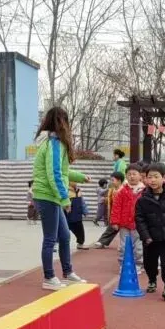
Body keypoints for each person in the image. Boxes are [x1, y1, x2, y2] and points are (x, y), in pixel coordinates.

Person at [31, 106, 88, 290]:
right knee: (50, 238)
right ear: (63, 122)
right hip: (47, 195)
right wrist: (65, 199)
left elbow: (62, 171)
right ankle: (49, 277)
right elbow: (54, 174)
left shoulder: (52, 142)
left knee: (64, 236)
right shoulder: (54, 143)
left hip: (51, 195)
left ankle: (68, 272)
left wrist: (80, 177)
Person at [135, 162, 165, 301]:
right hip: (150, 239)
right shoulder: (142, 200)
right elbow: (139, 220)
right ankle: (152, 280)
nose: (152, 180)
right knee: (149, 263)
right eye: (149, 177)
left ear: (163, 178)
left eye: (156, 177)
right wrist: (145, 236)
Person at [109, 162, 145, 271]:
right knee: (124, 246)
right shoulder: (122, 191)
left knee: (138, 246)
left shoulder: (144, 191)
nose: (132, 176)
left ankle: (138, 264)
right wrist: (115, 221)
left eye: (134, 174)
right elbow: (116, 207)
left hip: (139, 224)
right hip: (124, 224)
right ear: (126, 176)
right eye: (129, 174)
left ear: (140, 176)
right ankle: (123, 264)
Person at [93, 171, 125, 249]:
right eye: (111, 180)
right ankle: (102, 242)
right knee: (112, 228)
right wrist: (106, 199)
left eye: (113, 180)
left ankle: (103, 242)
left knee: (124, 231)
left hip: (123, 214)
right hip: (115, 213)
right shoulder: (112, 190)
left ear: (119, 180)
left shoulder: (124, 190)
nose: (111, 182)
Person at [67, 183, 89, 249]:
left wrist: (85, 211)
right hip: (68, 214)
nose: (75, 183)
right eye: (73, 181)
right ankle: (56, 244)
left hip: (77, 215)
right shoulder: (66, 190)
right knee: (63, 230)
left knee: (80, 230)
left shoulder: (78, 190)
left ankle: (80, 243)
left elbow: (82, 202)